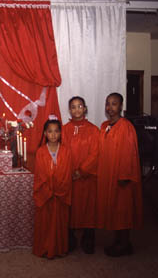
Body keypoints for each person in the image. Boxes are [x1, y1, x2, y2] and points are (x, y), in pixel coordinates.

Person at [97, 92, 142, 257]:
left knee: (122, 209)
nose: (110, 107)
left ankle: (124, 244)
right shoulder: (104, 126)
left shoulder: (126, 127)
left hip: (121, 175)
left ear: (121, 106)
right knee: (113, 209)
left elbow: (129, 152)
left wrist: (124, 175)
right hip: (108, 173)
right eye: (107, 103)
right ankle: (118, 241)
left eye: (114, 103)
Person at [62, 97, 99, 254]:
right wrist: (68, 171)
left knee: (88, 208)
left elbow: (96, 153)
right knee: (69, 208)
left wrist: (81, 171)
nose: (76, 109)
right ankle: (69, 238)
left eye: (79, 106)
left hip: (87, 177)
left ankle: (88, 237)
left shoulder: (93, 130)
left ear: (85, 109)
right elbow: (61, 151)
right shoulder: (64, 129)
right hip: (69, 176)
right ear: (69, 110)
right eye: (73, 107)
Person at [33, 118, 72, 259]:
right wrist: (49, 190)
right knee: (45, 222)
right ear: (45, 133)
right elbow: (40, 174)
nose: (53, 135)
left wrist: (58, 189)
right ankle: (44, 248)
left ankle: (59, 248)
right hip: (46, 194)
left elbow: (66, 173)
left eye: (56, 131)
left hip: (60, 193)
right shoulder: (41, 152)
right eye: (50, 131)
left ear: (61, 133)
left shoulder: (66, 151)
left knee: (60, 223)